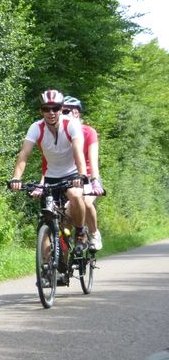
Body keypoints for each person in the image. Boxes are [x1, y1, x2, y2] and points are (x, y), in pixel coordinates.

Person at [9, 89, 89, 252]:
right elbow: (24, 154)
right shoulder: (36, 128)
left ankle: (80, 232)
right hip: (51, 178)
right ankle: (48, 268)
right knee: (48, 217)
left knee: (75, 195)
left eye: (55, 108)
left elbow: (78, 152)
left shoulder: (71, 124)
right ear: (41, 110)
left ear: (61, 109)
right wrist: (16, 178)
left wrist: (81, 175)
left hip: (72, 174)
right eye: (46, 108)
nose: (51, 112)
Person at [62, 96, 105, 251]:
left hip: (88, 176)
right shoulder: (61, 132)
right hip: (68, 177)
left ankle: (94, 234)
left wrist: (94, 180)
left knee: (86, 203)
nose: (62, 114)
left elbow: (93, 160)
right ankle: (61, 267)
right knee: (64, 217)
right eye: (62, 111)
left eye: (66, 111)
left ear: (77, 113)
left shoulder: (89, 132)